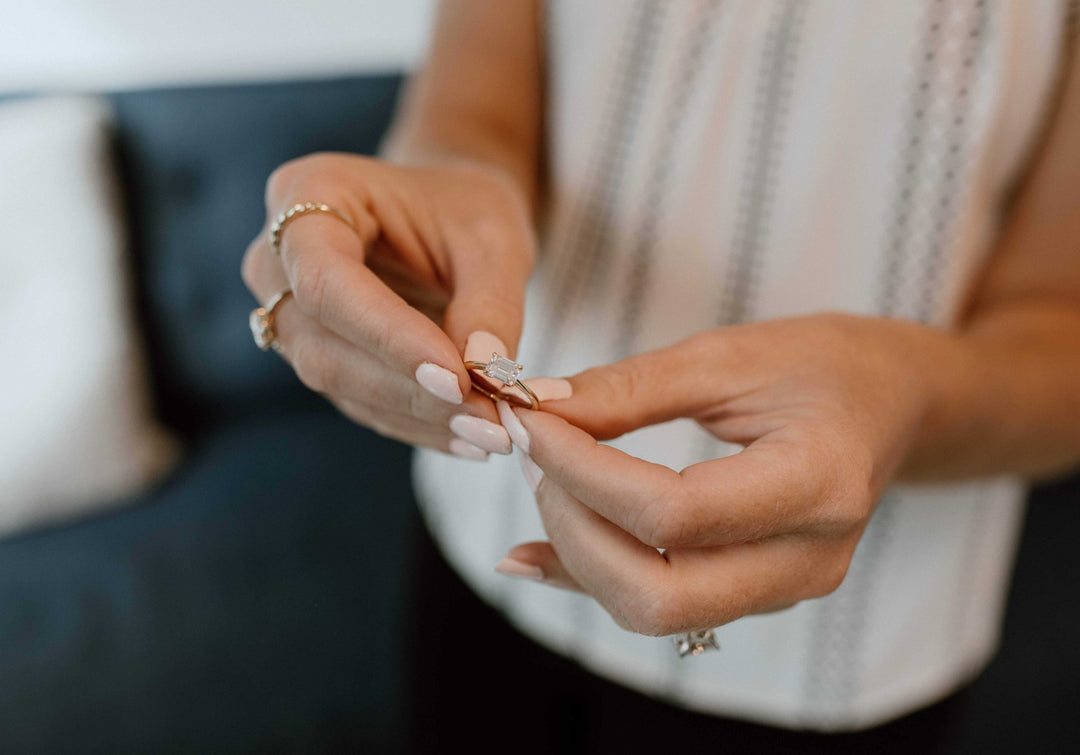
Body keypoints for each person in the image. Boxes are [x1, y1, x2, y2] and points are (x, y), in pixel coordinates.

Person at [241, 0, 1080, 749]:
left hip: (846, 648)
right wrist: (436, 197)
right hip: (490, 533)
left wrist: (912, 397)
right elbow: (473, 109)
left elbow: (1059, 321)